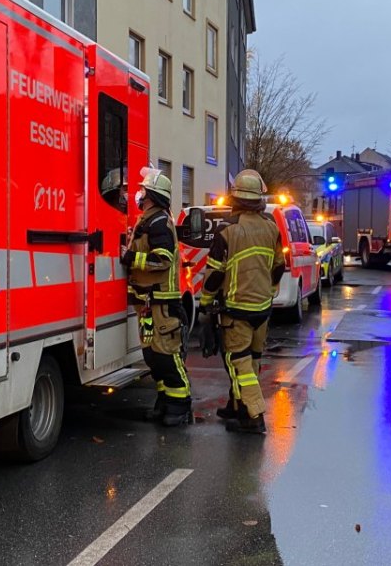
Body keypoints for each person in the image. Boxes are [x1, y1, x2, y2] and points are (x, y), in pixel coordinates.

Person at [199, 169, 286, 434]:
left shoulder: (228, 230)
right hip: (262, 308)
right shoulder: (272, 227)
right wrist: (269, 290)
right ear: (259, 198)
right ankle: (236, 405)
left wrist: (205, 301)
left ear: (235, 198)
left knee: (239, 362)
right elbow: (279, 266)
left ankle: (253, 415)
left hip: (236, 310)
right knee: (253, 359)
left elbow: (214, 274)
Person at [122, 169, 191, 427]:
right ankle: (164, 401)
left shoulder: (159, 222)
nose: (138, 195)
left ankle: (180, 404)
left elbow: (163, 260)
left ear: (151, 195)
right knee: (153, 357)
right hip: (148, 304)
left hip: (163, 304)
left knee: (168, 356)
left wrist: (131, 258)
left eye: (142, 191)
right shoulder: (148, 220)